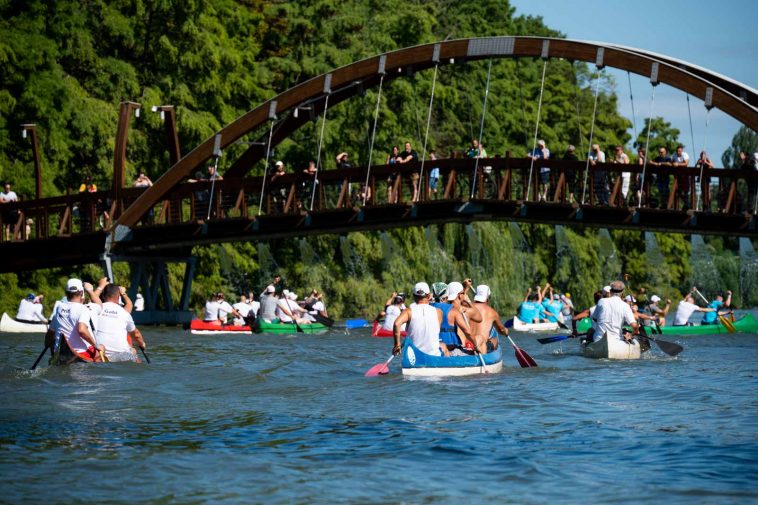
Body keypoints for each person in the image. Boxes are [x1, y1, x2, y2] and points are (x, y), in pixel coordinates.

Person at [46, 278, 103, 362]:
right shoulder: (83, 309)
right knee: (101, 348)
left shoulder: (59, 308)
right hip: (81, 353)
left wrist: (48, 347)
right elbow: (82, 330)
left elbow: (50, 333)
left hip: (59, 351)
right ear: (81, 292)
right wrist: (96, 345)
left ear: (66, 293)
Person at [391, 282, 445, 358]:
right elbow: (436, 331)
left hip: (414, 357)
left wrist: (397, 344)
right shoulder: (439, 312)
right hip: (434, 357)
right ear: (429, 296)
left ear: (414, 296)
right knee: (445, 348)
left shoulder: (408, 311)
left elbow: (397, 324)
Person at [95, 283, 147, 362]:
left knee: (132, 350)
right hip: (122, 355)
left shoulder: (95, 308)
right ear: (118, 297)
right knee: (134, 352)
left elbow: (92, 299)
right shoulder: (124, 313)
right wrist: (142, 344)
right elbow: (136, 335)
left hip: (101, 352)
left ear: (103, 296)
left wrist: (100, 286)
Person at [443, 280, 486, 354]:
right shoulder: (464, 311)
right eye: (463, 293)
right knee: (480, 338)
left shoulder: (442, 310)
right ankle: (484, 360)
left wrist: (465, 290)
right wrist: (468, 301)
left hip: (445, 346)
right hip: (460, 347)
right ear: (460, 295)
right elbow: (479, 318)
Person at [469, 284, 505, 351]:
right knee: (495, 340)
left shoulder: (467, 307)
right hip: (482, 347)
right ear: (487, 297)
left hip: (468, 345)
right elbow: (501, 330)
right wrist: (506, 331)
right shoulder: (492, 312)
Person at [671, 145, 691, 209]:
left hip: (685, 175)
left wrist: (678, 164)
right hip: (678, 176)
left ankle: (687, 204)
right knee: (679, 191)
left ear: (682, 151)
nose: (678, 152)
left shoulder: (685, 155)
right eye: (677, 151)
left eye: (679, 151)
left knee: (685, 191)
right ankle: (686, 204)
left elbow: (686, 163)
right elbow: (671, 161)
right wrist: (673, 163)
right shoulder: (674, 155)